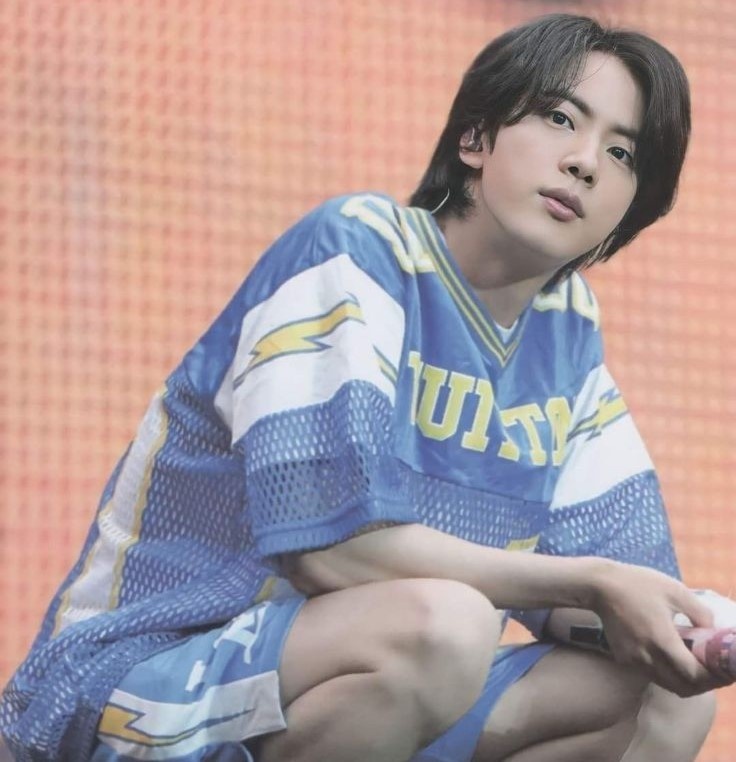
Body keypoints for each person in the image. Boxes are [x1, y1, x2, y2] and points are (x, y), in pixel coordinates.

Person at [0, 12, 730, 762]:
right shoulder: (358, 249)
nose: (585, 163)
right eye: (559, 119)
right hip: (128, 686)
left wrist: (697, 631)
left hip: (357, 696)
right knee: (446, 628)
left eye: (621, 153)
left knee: (664, 696)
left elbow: (616, 597)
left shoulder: (567, 337)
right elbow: (331, 552)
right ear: (475, 138)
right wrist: (596, 582)